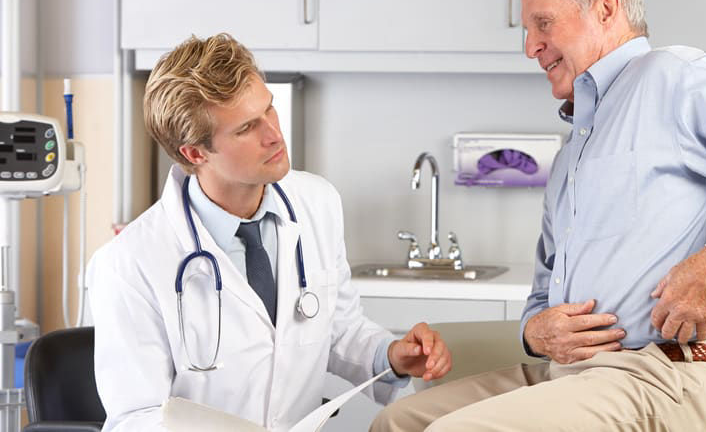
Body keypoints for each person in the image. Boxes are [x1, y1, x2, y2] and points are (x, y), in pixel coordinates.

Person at [371, 0, 706, 430]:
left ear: (605, 9)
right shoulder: (572, 153)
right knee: (398, 423)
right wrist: (536, 332)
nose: (530, 47)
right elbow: (543, 292)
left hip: (667, 375)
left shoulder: (674, 77)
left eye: (543, 23)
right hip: (567, 377)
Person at [89, 33, 451, 431]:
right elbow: (135, 419)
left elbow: (338, 328)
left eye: (269, 109)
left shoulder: (317, 203)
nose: (274, 134)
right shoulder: (128, 264)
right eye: (246, 127)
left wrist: (391, 355)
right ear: (195, 152)